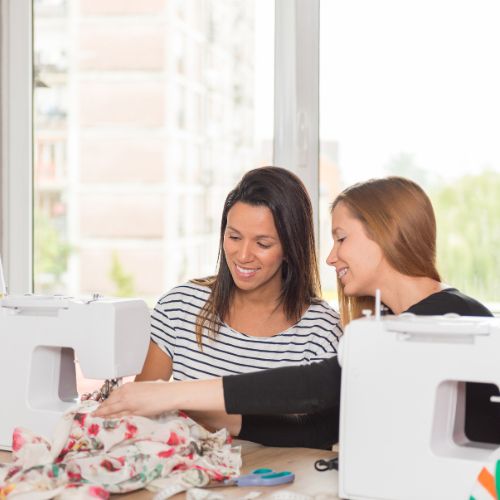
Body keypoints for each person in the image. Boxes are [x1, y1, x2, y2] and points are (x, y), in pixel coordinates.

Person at [95, 176, 497, 448]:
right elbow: (321, 429)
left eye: (341, 238)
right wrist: (217, 417)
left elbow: (318, 385)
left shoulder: (453, 317)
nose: (331, 256)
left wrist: (170, 393)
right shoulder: (393, 324)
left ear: (386, 234)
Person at [135, 166, 341, 385]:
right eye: (234, 237)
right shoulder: (179, 307)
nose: (243, 256)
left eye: (262, 244)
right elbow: (138, 403)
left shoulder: (322, 333)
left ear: (291, 248)